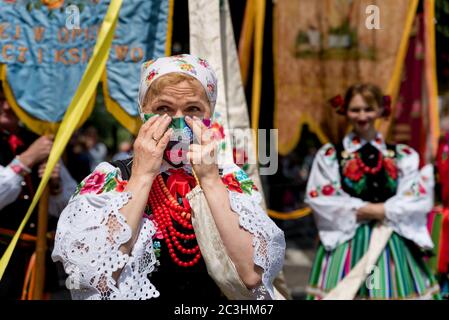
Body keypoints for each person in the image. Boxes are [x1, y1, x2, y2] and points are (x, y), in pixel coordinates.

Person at [52, 54, 286, 300]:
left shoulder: (228, 179)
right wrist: (142, 175)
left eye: (193, 109)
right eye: (163, 109)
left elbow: (252, 275)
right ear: (143, 112)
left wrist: (209, 180)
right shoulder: (111, 179)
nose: (178, 122)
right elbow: (93, 274)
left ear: (210, 114)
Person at [305, 83, 441, 299]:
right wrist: (384, 210)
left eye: (368, 109)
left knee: (386, 289)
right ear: (345, 110)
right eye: (355, 109)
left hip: (391, 241)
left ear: (380, 110)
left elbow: (416, 197)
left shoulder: (402, 154)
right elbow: (322, 197)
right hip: (347, 241)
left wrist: (375, 211)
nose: (362, 116)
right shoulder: (331, 154)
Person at [0, 87, 77, 299]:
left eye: (13, 99)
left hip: (39, 256)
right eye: (0, 99)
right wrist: (25, 161)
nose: (7, 106)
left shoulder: (40, 139)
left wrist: (55, 185)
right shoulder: (37, 147)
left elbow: (72, 206)